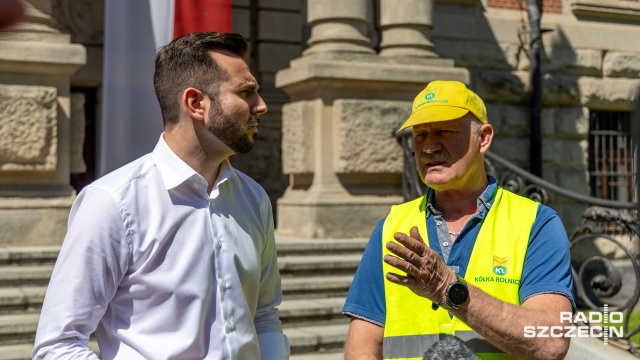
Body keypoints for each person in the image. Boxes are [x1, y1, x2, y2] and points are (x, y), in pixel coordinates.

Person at [33, 32, 290, 359]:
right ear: (196, 103)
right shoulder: (112, 202)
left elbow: (264, 315)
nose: (262, 106)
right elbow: (58, 346)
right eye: (246, 92)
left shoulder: (255, 199)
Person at [342, 80, 574, 360]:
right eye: (420, 135)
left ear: (484, 138)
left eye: (444, 131)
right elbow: (362, 349)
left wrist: (446, 288)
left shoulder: (536, 224)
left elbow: (551, 342)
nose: (428, 147)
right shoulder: (391, 228)